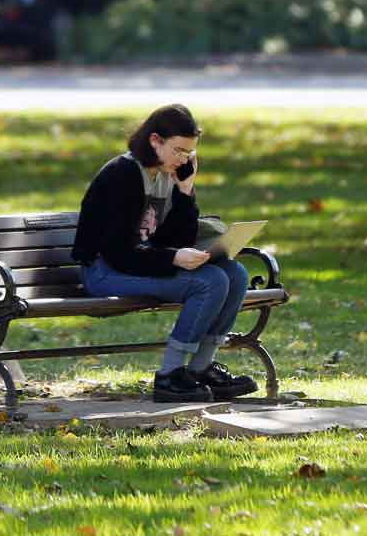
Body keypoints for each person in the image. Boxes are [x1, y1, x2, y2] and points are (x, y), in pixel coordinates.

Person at [70, 104, 258, 402]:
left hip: (137, 264)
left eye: (189, 154)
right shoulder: (123, 174)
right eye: (179, 151)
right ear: (155, 140)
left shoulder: (168, 176)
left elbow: (176, 237)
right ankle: (170, 376)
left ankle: (200, 369)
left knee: (235, 274)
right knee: (210, 282)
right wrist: (172, 258)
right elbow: (119, 253)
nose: (183, 160)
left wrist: (185, 192)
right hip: (106, 271)